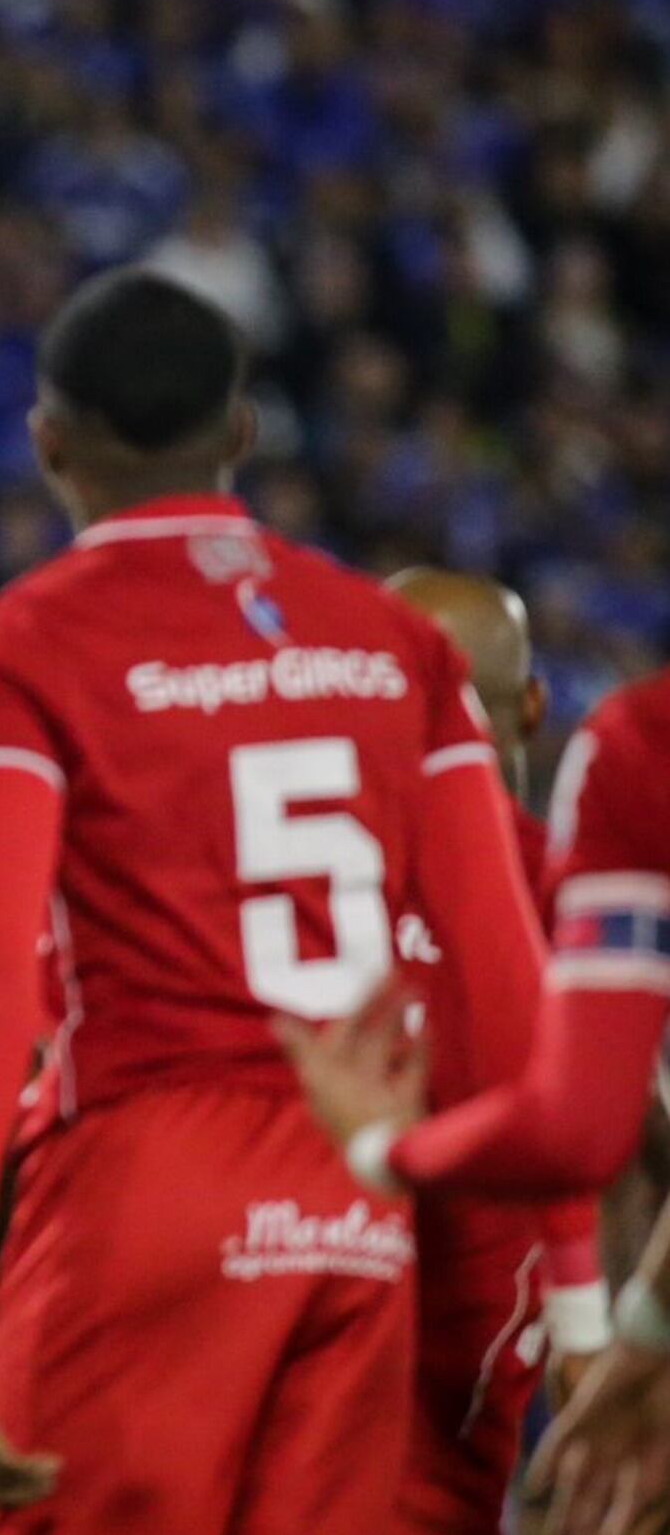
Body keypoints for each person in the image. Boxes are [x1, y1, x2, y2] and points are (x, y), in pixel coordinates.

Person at [0, 268, 550, 1534]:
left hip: (145, 1174)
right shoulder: (395, 644)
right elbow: (507, 995)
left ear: (47, 443)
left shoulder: (22, 646)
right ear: (243, 434)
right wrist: (573, 1296)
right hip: (359, 1205)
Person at [283, 664, 670, 1534]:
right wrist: (617, 1329)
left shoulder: (642, 749)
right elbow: (638, 1124)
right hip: (481, 1315)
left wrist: (379, 1148)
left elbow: (584, 1124)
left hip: (337, 1280)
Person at [383, 569, 609, 1534]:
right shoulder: (578, 904)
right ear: (531, 705)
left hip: (269, 1315)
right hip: (470, 1371)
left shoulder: (276, 874)